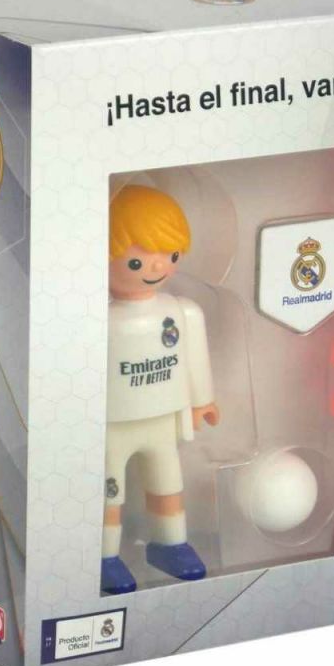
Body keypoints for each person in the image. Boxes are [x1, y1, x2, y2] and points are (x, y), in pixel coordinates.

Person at [102, 185, 220, 594]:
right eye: (137, 260)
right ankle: (104, 555)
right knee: (109, 491)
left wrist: (202, 401)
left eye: (170, 256)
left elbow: (194, 359)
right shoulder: (100, 319)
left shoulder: (181, 311)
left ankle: (170, 544)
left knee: (168, 483)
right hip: (112, 424)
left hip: (162, 420)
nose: (156, 266)